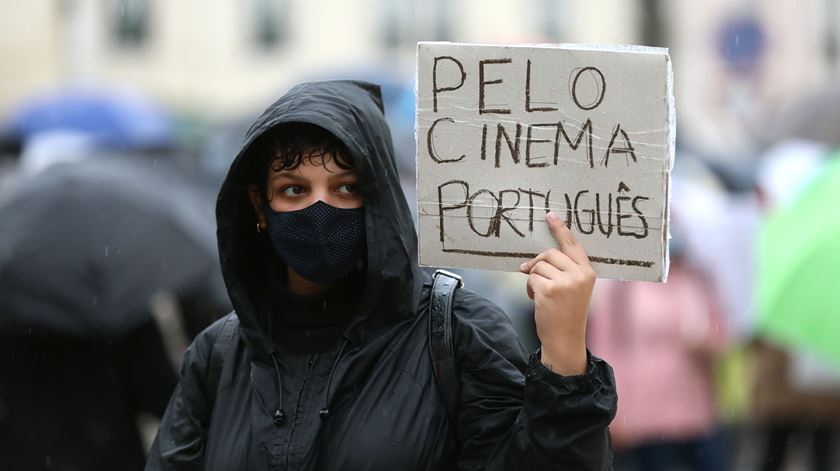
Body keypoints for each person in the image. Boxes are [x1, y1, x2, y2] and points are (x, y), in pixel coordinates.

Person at [146, 80, 617, 470]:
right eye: (293, 189)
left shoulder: (458, 335)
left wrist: (564, 361)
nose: (319, 207)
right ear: (259, 207)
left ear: (378, 196)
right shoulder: (218, 356)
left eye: (345, 187)